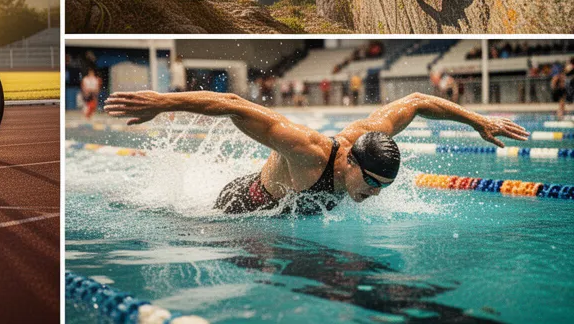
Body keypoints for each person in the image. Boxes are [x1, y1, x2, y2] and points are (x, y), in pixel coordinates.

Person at [104, 90, 528, 215]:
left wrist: (479, 121)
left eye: (382, 187)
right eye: (373, 183)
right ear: (350, 162)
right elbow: (234, 104)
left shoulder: (371, 135)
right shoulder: (306, 149)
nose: (376, 194)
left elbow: (417, 101)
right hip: (244, 207)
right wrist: (162, 101)